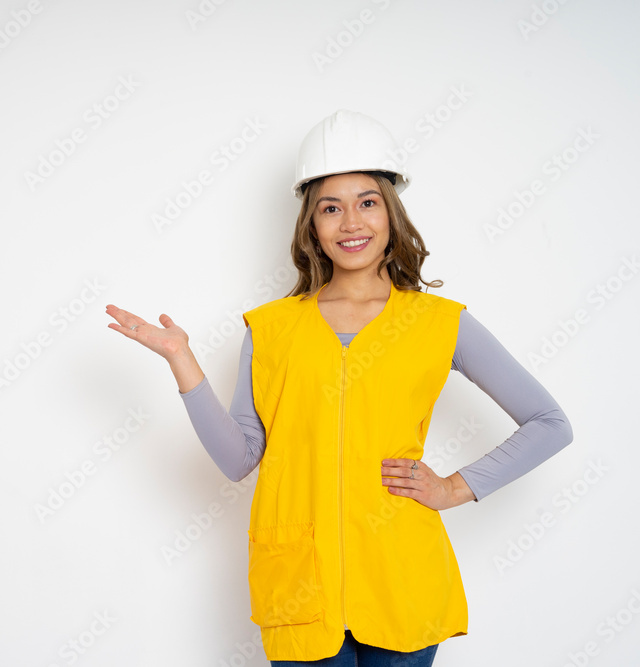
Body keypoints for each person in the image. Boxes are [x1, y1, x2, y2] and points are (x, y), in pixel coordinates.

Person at [105, 109, 573, 666]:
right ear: (312, 225)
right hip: (302, 585)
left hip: (401, 581)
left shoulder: (440, 323)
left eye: (367, 202)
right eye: (331, 207)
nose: (351, 222)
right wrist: (182, 360)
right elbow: (239, 459)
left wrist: (453, 488)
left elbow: (550, 424)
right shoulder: (272, 329)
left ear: (391, 215)